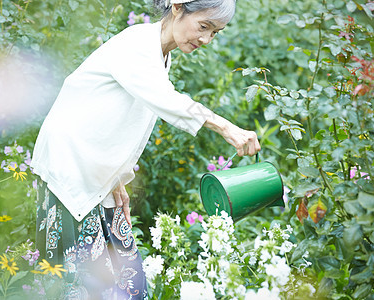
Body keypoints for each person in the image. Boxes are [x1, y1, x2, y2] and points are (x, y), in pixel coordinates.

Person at [31, 0, 261, 298]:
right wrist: (226, 127)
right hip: (70, 169)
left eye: (216, 32)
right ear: (178, 7)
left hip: (96, 174)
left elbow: (113, 122)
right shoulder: (136, 44)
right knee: (81, 285)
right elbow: (167, 100)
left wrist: (117, 179)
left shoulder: (160, 55)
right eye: (204, 26)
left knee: (129, 282)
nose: (206, 39)